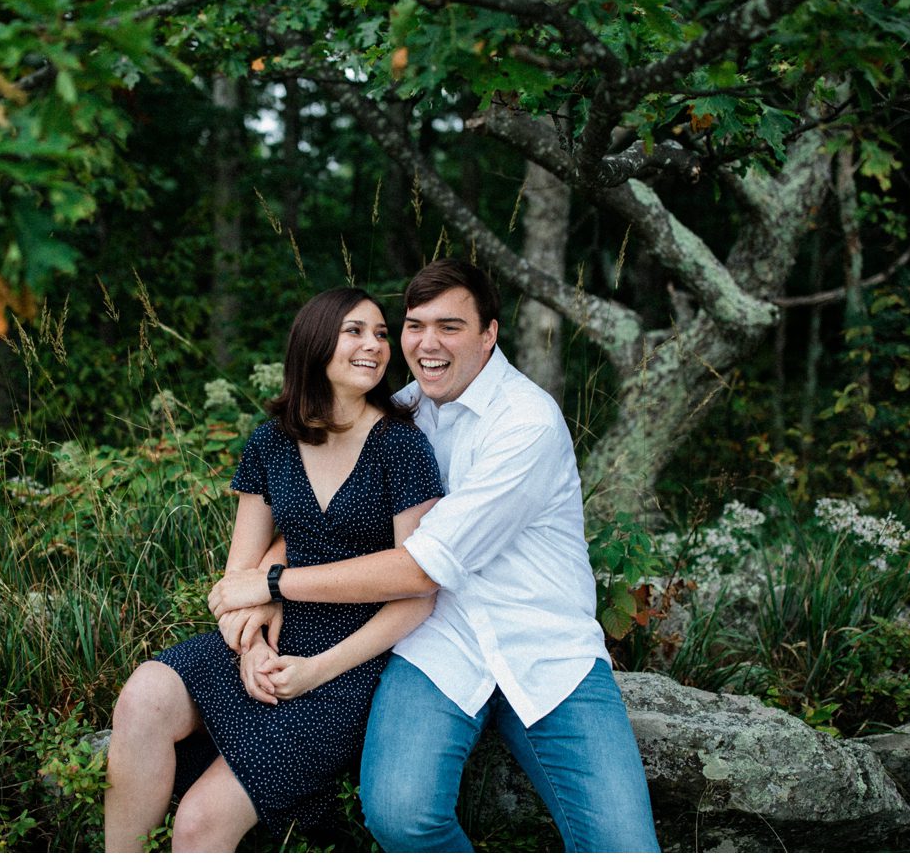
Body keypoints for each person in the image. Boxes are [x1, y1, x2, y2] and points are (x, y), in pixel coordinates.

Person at [209, 259, 660, 852]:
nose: (427, 343)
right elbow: (329, 513)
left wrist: (271, 584)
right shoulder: (401, 411)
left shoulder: (526, 421)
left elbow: (422, 567)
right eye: (415, 325)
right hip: (436, 644)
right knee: (400, 816)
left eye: (449, 326)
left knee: (626, 850)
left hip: (545, 649)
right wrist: (262, 587)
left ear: (489, 334)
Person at [104, 288, 445, 852]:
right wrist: (253, 648)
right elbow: (240, 575)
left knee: (198, 823)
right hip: (271, 634)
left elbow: (417, 593)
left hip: (351, 659)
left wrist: (315, 670)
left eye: (382, 334)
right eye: (355, 331)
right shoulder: (270, 442)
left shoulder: (401, 446)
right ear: (315, 344)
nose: (375, 345)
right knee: (144, 695)